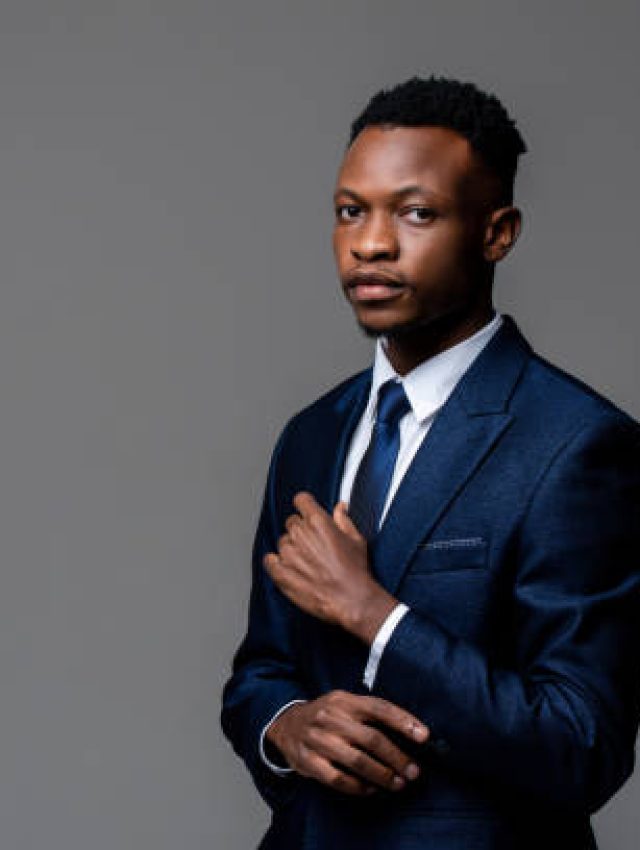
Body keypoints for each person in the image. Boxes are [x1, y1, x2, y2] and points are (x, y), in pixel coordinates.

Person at [220, 76, 640, 849]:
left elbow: (585, 744)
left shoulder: (579, 445)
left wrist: (377, 617)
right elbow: (260, 673)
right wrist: (289, 726)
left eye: (416, 213)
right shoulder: (311, 435)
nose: (370, 242)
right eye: (351, 211)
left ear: (497, 232)